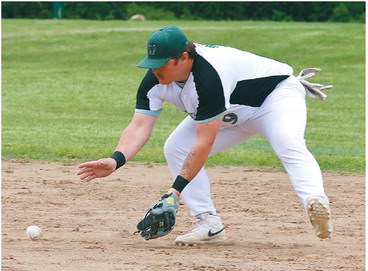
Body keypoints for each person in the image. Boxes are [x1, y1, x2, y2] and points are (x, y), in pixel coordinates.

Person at [78, 25, 333, 245]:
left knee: (288, 143)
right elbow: (139, 126)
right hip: (228, 111)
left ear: (184, 58)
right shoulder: (155, 80)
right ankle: (209, 224)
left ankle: (315, 201)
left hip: (273, 99)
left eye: (162, 63)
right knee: (175, 146)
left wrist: (173, 193)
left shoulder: (208, 76)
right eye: (152, 63)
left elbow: (204, 142)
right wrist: (116, 159)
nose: (155, 70)